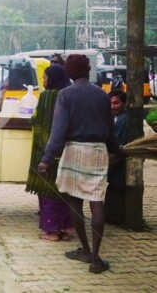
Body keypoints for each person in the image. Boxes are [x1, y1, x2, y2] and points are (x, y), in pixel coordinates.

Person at [37, 54, 122, 274]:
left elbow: (58, 131)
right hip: (98, 151)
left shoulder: (65, 95)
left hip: (74, 150)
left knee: (74, 200)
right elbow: (110, 132)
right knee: (96, 202)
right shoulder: (102, 95)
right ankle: (95, 259)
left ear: (69, 72)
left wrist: (47, 159)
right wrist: (118, 151)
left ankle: (85, 249)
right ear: (88, 69)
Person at [26, 64, 72, 241]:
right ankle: (66, 227)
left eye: (45, 78)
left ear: (52, 79)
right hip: (66, 149)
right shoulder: (68, 94)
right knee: (64, 189)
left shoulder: (47, 96)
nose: (43, 82)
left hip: (46, 149)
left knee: (47, 189)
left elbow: (35, 118)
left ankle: (52, 231)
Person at [105, 89, 127, 225]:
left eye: (116, 103)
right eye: (111, 104)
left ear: (124, 103)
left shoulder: (123, 121)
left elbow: (118, 143)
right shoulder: (117, 119)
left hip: (120, 162)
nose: (113, 106)